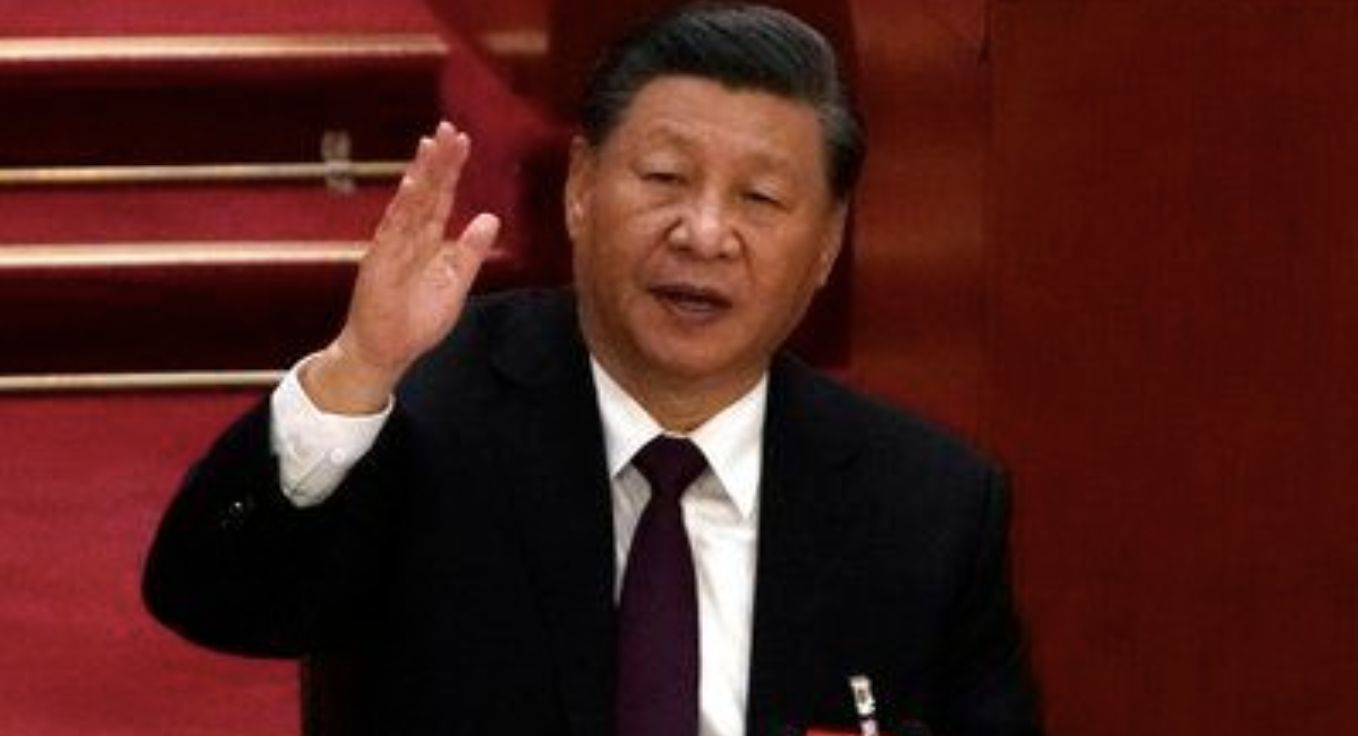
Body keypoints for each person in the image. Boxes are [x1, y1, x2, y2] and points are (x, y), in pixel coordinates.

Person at [143, 3, 1043, 736]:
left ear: (828, 243)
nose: (704, 233)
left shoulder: (926, 507)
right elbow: (214, 599)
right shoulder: (430, 412)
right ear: (579, 187)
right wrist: (356, 370)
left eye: (761, 197)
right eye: (664, 178)